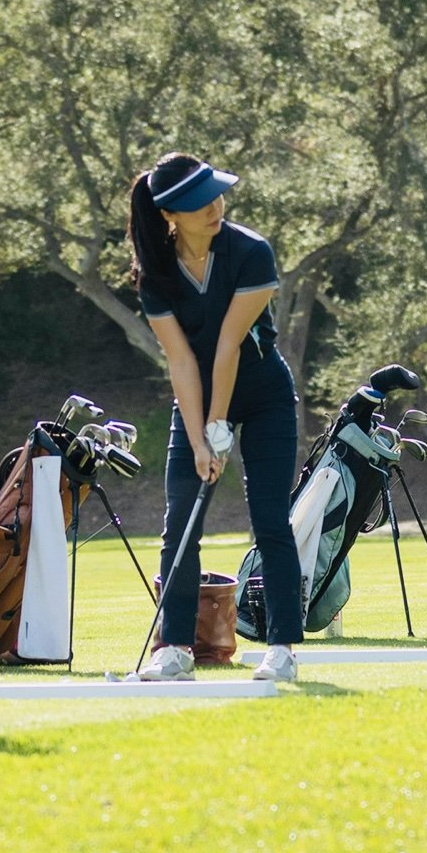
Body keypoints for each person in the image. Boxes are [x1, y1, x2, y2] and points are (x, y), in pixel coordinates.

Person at [127, 153, 303, 683]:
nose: (215, 207)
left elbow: (229, 345)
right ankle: (174, 650)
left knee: (270, 519)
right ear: (169, 216)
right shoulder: (156, 274)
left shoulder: (250, 252)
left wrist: (219, 431)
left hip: (263, 392)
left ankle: (282, 649)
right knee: (180, 520)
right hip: (197, 399)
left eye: (216, 195)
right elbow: (181, 361)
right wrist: (202, 438)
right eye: (198, 202)